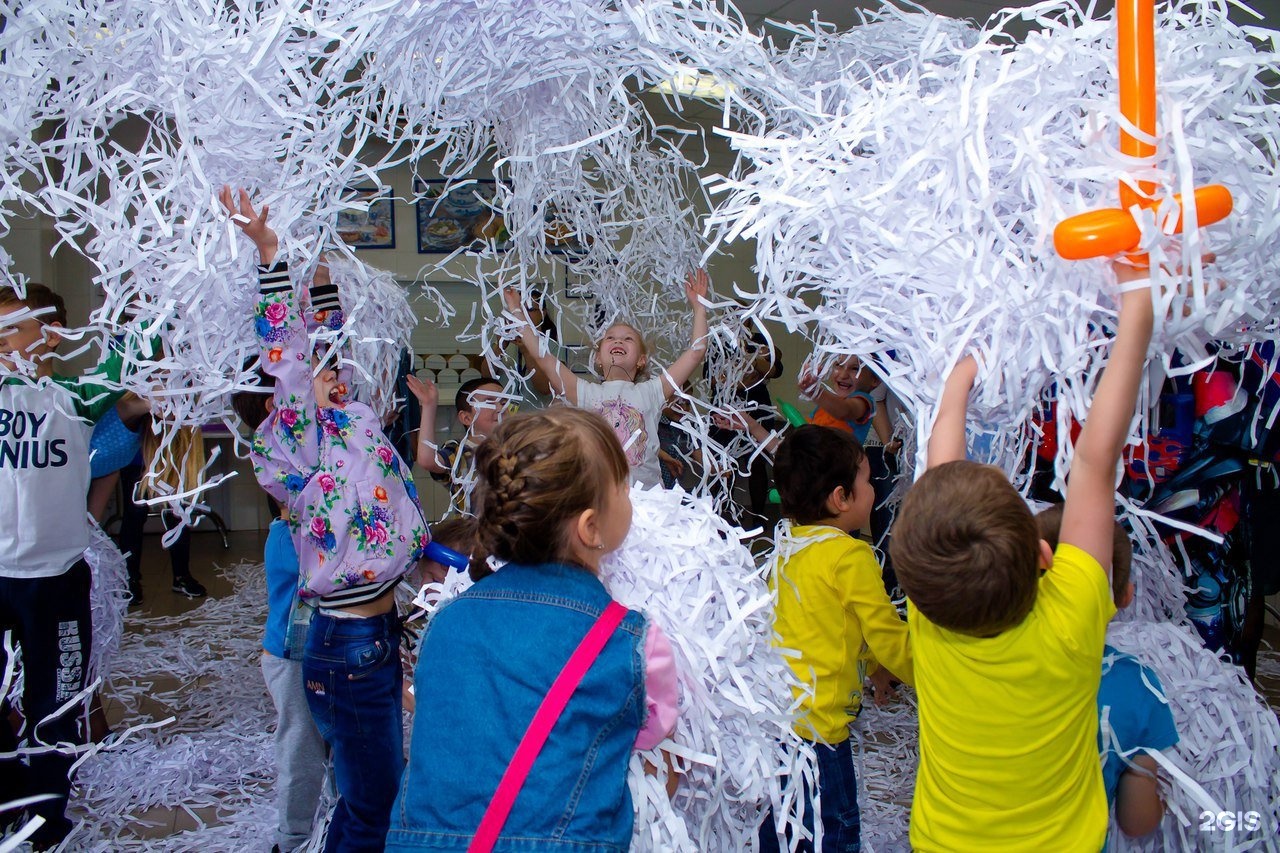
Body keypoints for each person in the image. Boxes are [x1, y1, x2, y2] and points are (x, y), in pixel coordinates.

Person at [890, 260, 1155, 850]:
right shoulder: (1071, 616)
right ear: (1044, 554)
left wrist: (958, 378)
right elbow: (1095, 461)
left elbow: (1094, 462)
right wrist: (1134, 304)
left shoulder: (933, 613)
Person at [223, 186, 431, 852]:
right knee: (374, 803)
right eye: (319, 370)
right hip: (344, 643)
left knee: (370, 796)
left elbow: (327, 341)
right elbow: (286, 354)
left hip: (376, 628)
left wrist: (320, 282)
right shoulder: (298, 445)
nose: (332, 371)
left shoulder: (355, 418)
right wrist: (272, 257)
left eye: (333, 364)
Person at [385, 408, 678, 850]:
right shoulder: (633, 641)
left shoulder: (448, 619)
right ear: (590, 527)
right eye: (622, 487)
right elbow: (658, 750)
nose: (630, 496)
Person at [0, 283, 126, 849]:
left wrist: (135, 298)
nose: (0, 344)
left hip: (57, 582)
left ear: (49, 335)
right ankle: (9, 802)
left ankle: (47, 819)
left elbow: (127, 360)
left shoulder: (73, 398)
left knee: (56, 704)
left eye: (10, 330)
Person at [758, 424, 912, 853]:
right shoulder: (850, 556)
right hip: (821, 733)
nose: (873, 491)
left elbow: (827, 626)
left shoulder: (789, 548)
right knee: (835, 834)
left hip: (778, 724)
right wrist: (934, 670)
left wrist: (875, 668)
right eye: (865, 482)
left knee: (782, 830)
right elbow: (886, 635)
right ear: (841, 498)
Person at [1035, 504, 1178, 840]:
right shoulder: (1138, 687)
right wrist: (1163, 802)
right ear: (1126, 595)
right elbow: (1137, 821)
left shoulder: (984, 661)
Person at [230, 385, 327, 853]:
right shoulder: (290, 529)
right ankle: (291, 840)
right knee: (303, 747)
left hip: (326, 647)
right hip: (295, 654)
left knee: (334, 744)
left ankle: (342, 828)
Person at [502, 270, 709, 488]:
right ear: (598, 357)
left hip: (649, 501)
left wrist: (699, 307)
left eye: (628, 339)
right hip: (601, 498)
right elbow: (541, 356)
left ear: (641, 360)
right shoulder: (584, 392)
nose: (618, 341)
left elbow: (695, 353)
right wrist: (517, 310)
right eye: (610, 338)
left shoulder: (652, 391)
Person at [409, 375, 509, 514]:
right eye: (490, 403)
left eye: (504, 403)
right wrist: (429, 406)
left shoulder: (518, 447)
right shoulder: (459, 451)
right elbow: (427, 460)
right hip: (474, 534)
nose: (500, 408)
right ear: (466, 418)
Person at [802, 354, 875, 442]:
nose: (843, 375)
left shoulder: (863, 401)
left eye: (855, 369)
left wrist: (815, 392)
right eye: (839, 365)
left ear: (875, 379)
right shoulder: (826, 404)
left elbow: (844, 411)